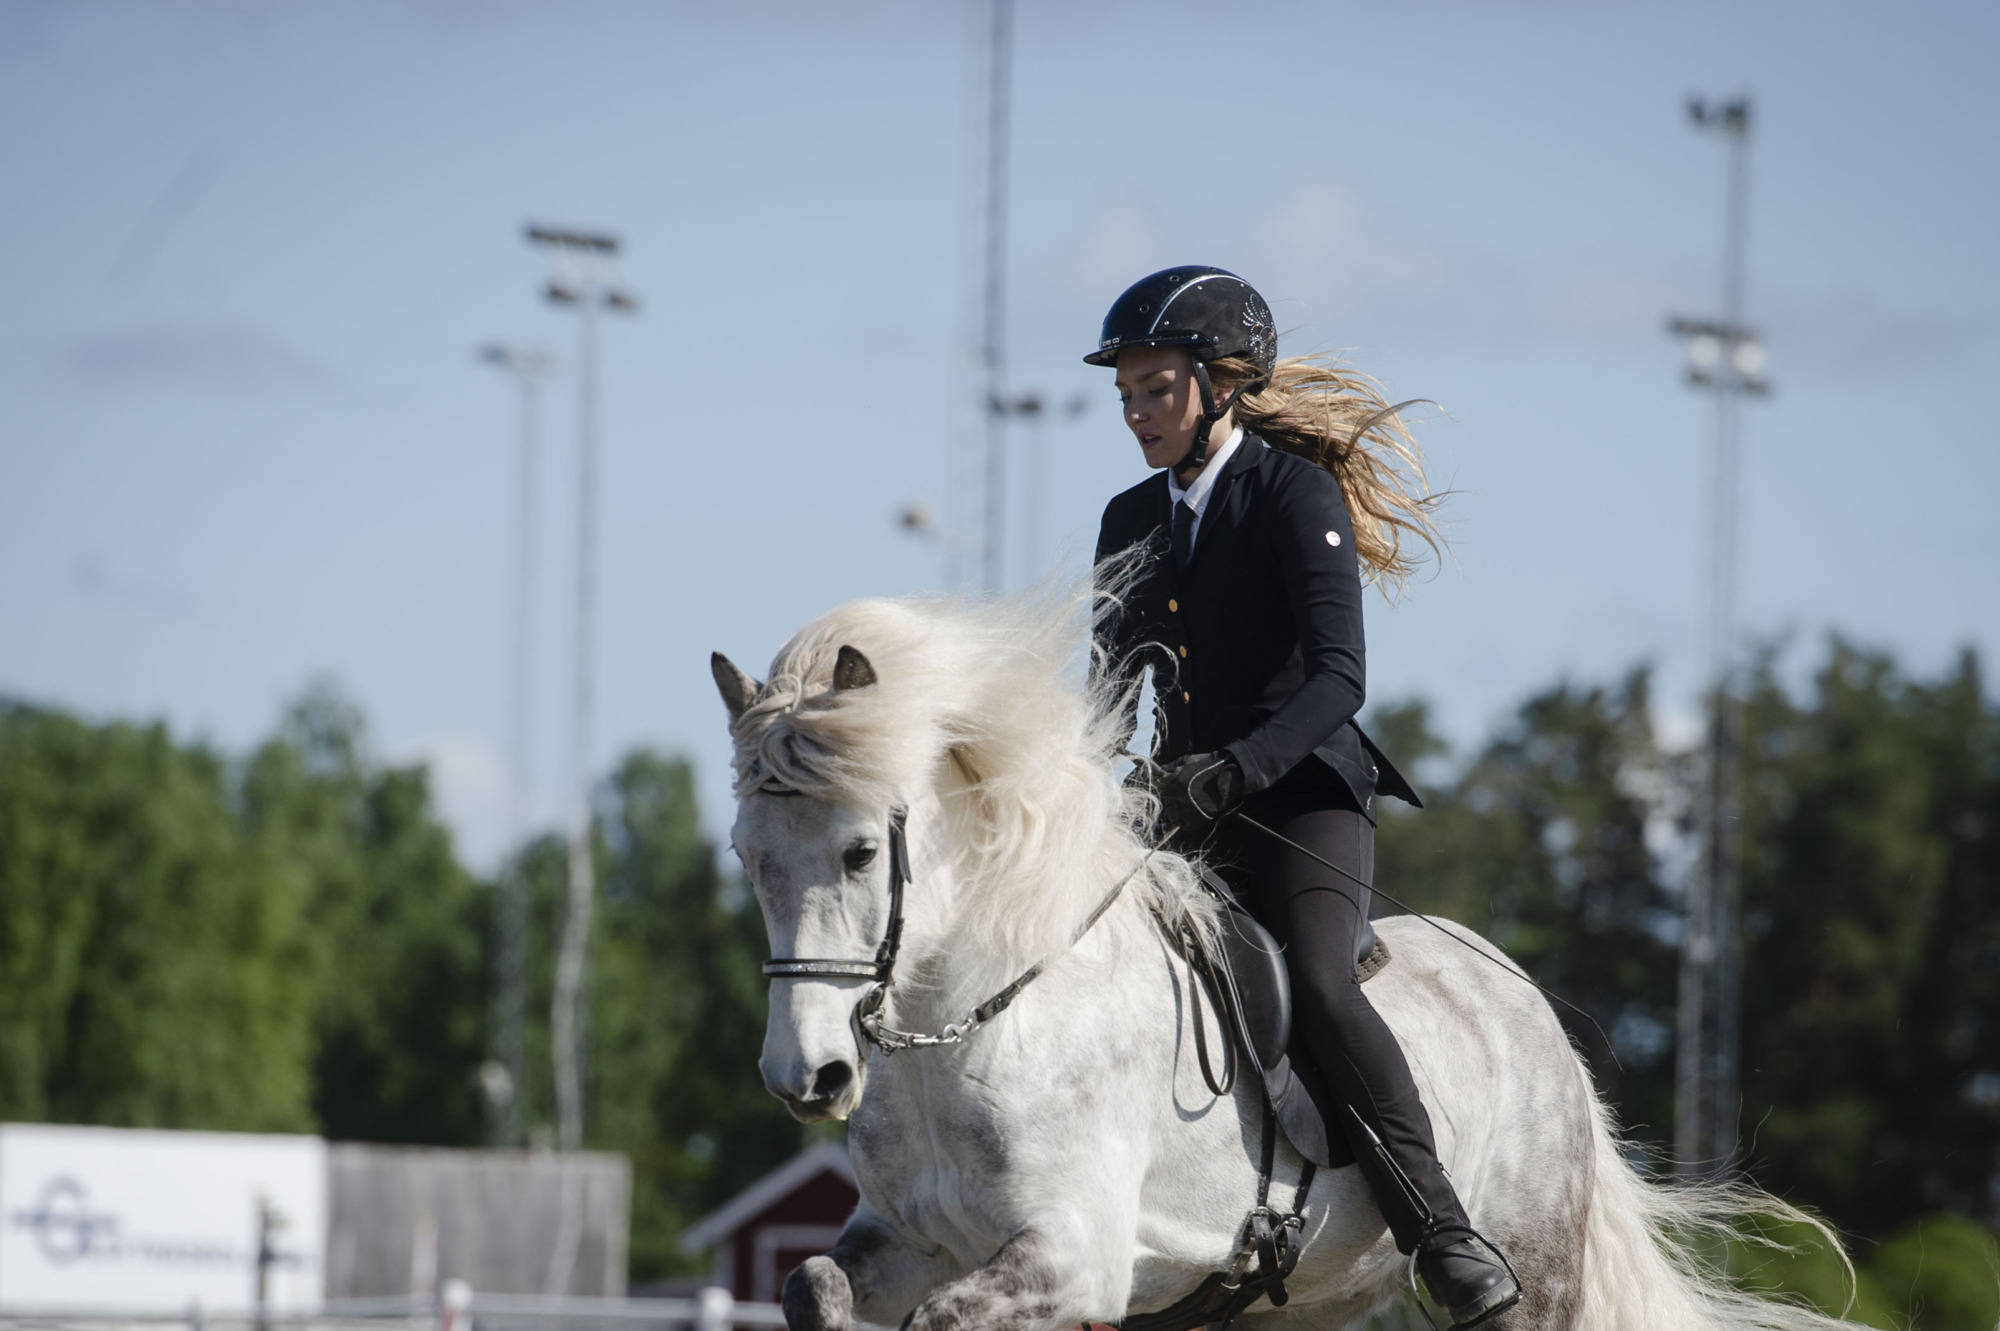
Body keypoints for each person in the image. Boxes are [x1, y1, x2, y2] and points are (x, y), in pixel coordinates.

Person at [1088, 266, 1521, 1330]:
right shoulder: (1128, 517)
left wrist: (1236, 766)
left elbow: (1340, 677)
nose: (1137, 412)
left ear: (1222, 383)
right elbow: (1105, 690)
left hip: (1300, 795)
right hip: (1183, 809)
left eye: (1155, 389)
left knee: (1321, 985)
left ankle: (1442, 1231)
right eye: (1126, 394)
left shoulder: (1291, 493)